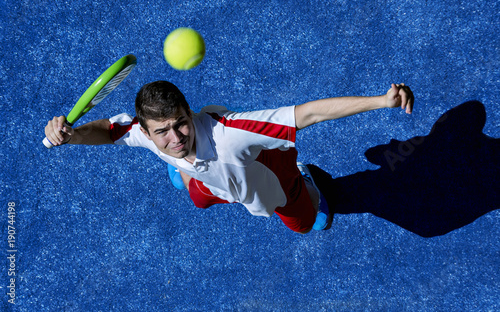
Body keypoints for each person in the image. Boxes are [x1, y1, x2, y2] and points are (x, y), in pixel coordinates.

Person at [44, 81, 414, 233]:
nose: (175, 139)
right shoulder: (140, 131)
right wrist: (73, 135)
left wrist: (381, 101)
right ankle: (189, 176)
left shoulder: (230, 133)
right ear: (146, 127)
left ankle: (306, 178)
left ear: (190, 112)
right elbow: (108, 132)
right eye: (162, 132)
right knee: (198, 197)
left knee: (306, 223)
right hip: (215, 182)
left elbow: (310, 113)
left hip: (270, 180)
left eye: (181, 125)